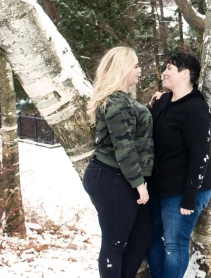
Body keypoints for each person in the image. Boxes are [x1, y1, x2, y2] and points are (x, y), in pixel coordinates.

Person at [83, 46, 154, 278]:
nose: (139, 70)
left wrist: (149, 108)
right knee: (114, 243)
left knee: (143, 235)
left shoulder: (123, 101)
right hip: (110, 177)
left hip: (120, 177)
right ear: (122, 69)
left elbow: (132, 130)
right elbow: (124, 147)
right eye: (135, 66)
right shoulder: (115, 103)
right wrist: (139, 184)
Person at [145, 52, 211, 278]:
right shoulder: (163, 101)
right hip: (160, 187)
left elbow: (201, 154)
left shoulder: (196, 109)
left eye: (169, 69)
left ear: (185, 74)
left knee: (175, 244)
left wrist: (190, 196)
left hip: (185, 190)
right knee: (148, 237)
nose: (164, 72)